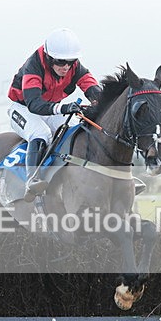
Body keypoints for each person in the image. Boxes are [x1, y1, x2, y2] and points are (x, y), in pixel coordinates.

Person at [7, 28, 103, 199]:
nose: (65, 67)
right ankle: (32, 180)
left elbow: (93, 88)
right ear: (49, 57)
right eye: (60, 62)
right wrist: (64, 108)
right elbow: (34, 104)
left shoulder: (75, 67)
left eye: (70, 62)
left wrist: (99, 103)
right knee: (41, 133)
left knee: (75, 131)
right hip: (23, 108)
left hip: (49, 108)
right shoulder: (34, 66)